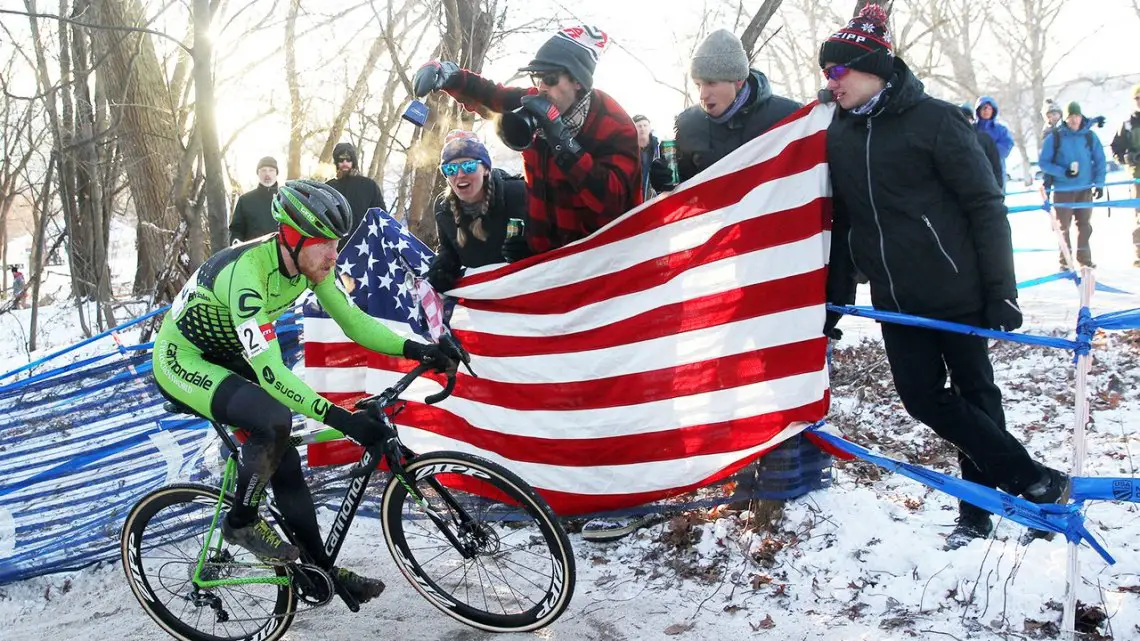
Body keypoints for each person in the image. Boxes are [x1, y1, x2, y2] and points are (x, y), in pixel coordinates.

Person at [820, 4, 1070, 551]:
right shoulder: (837, 133)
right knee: (922, 398)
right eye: (825, 74)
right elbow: (840, 224)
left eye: (837, 71)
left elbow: (985, 204)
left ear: (873, 69)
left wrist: (1002, 291)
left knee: (977, 392)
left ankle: (978, 511)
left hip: (957, 287)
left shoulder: (936, 121)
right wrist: (834, 305)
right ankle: (1027, 475)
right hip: (894, 297)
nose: (830, 82)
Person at [151, 179, 455, 604]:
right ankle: (240, 521)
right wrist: (343, 420)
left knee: (285, 459)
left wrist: (418, 349)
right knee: (274, 421)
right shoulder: (248, 275)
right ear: (292, 239)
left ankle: (318, 572)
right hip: (184, 359)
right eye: (325, 244)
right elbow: (273, 374)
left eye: (337, 243)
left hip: (232, 356)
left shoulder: (309, 266)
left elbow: (354, 322)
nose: (335, 254)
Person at [413, 25, 641, 263]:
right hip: (544, 257)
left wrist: (563, 143)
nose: (542, 87)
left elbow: (613, 203)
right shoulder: (534, 101)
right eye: (538, 77)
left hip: (600, 259)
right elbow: (490, 96)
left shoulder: (615, 124)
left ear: (578, 82)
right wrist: (449, 76)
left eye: (551, 79)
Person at [651, 29, 800, 192]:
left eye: (711, 83)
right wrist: (664, 178)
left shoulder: (788, 115)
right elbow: (685, 193)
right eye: (698, 85)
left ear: (738, 81)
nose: (703, 95)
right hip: (715, 217)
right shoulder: (689, 124)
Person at [426, 130, 527, 292]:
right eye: (450, 169)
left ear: (486, 169)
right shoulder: (443, 208)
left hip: (522, 288)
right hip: (483, 296)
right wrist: (444, 266)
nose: (459, 175)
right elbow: (448, 248)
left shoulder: (517, 193)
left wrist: (530, 248)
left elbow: (553, 238)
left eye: (469, 166)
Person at [1039, 101, 1106, 270]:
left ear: (1081, 117)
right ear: (1065, 118)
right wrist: (1063, 172)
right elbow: (1044, 162)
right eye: (1071, 116)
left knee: (1085, 226)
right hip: (1063, 190)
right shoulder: (1055, 137)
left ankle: (1084, 259)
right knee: (1063, 227)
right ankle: (1065, 261)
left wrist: (1099, 184)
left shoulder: (1090, 137)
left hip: (1084, 188)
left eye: (1076, 116)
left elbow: (1100, 161)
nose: (1074, 120)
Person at [326, 142, 386, 250]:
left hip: (362, 247)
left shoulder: (369, 186)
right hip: (333, 247)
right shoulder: (329, 187)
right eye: (341, 160)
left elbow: (381, 216)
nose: (345, 163)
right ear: (336, 162)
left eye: (348, 159)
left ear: (353, 161)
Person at [1110, 84, 1140, 268]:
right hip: (1137, 177)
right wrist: (1127, 158)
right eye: (1138, 99)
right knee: (1139, 215)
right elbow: (1116, 150)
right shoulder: (1127, 124)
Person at [229, 156, 280, 243]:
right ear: (258, 173)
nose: (267, 174)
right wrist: (236, 243)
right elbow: (236, 230)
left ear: (276, 173)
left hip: (282, 253)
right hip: (254, 253)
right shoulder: (245, 200)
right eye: (263, 170)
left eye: (271, 170)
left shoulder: (286, 199)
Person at [959, 103, 1004, 186]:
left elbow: (995, 164)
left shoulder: (984, 139)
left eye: (967, 119)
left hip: (985, 185)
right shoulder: (948, 140)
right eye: (960, 120)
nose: (964, 123)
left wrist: (998, 186)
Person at [973, 96, 1014, 186]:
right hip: (976, 171)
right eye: (984, 108)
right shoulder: (971, 129)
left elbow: (1006, 146)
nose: (986, 111)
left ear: (993, 110)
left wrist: (988, 152)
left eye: (989, 108)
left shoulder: (1001, 130)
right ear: (978, 110)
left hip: (996, 170)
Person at [632, 114, 660, 200]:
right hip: (635, 199)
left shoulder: (660, 149)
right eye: (639, 126)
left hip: (656, 198)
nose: (642, 128)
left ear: (650, 128)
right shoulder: (628, 151)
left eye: (645, 125)